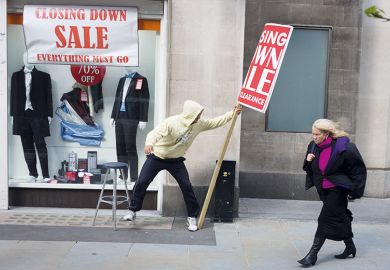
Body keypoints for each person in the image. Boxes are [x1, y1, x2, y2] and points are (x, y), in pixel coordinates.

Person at [123, 100, 242, 231]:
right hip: (157, 157)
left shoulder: (199, 124)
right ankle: (132, 210)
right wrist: (149, 144)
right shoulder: (171, 122)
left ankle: (192, 217)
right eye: (198, 114)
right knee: (142, 182)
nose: (199, 117)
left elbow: (215, 122)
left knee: (186, 186)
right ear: (190, 114)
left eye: (200, 114)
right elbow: (154, 133)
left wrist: (232, 114)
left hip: (176, 160)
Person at [298, 119, 367, 267]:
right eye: (313, 134)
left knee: (324, 219)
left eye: (317, 134)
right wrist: (308, 160)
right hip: (323, 188)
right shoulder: (313, 146)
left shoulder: (344, 147)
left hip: (338, 189)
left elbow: (358, 170)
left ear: (327, 133)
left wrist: (355, 191)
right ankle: (350, 247)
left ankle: (312, 255)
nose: (314, 137)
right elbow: (308, 168)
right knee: (339, 216)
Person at [110, 67, 149, 182]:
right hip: (119, 116)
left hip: (131, 117)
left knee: (130, 146)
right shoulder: (122, 80)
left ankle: (133, 177)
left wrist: (143, 119)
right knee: (120, 146)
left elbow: (144, 100)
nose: (126, 67)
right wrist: (113, 115)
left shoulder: (141, 80)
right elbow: (117, 98)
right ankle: (123, 175)